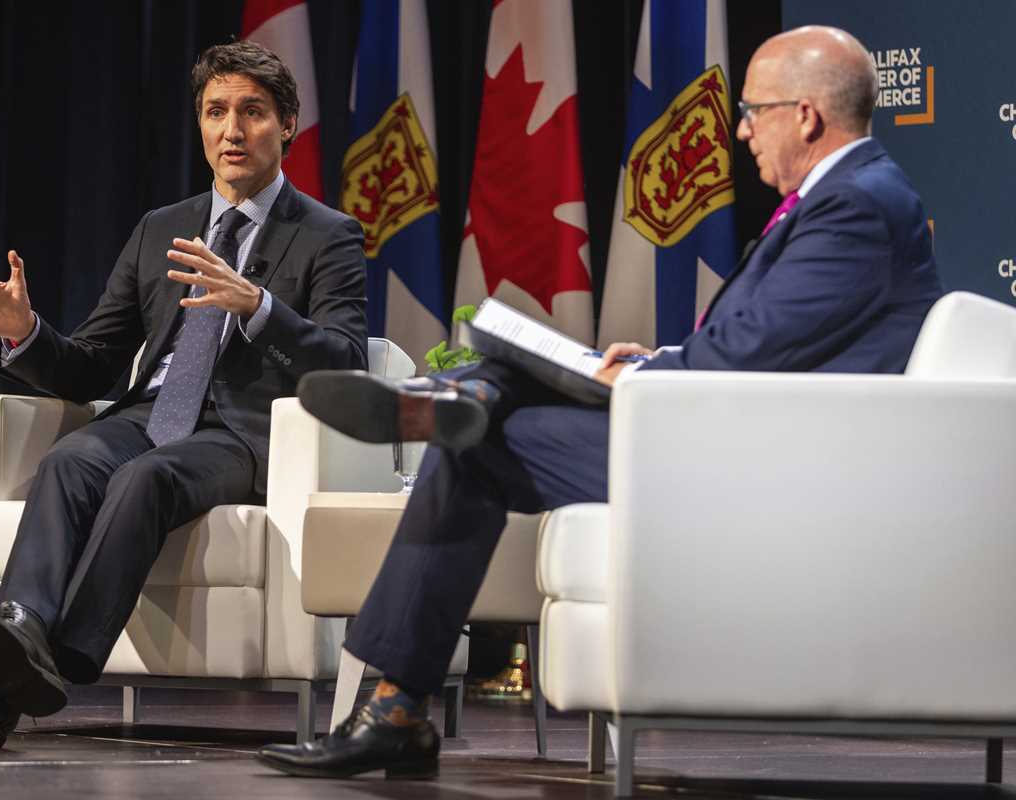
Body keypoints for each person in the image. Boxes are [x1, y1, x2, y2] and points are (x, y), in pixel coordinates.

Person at [256, 25, 943, 779]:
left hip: (757, 467)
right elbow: (767, 344)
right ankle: (459, 402)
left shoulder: (855, 207)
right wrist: (651, 363)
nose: (742, 130)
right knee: (492, 404)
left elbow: (746, 355)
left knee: (475, 437)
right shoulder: (854, 196)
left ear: (805, 116)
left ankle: (396, 703)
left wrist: (647, 375)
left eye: (753, 111)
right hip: (732, 436)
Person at [0, 40, 368, 748]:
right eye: (216, 112)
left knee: (146, 478)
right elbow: (94, 365)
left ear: (287, 124)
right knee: (69, 460)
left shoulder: (327, 235)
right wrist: (25, 333)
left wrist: (257, 307)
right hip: (150, 413)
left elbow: (347, 359)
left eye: (253, 112)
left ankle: (53, 662)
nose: (232, 130)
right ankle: (21, 631)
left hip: (239, 435)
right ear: (200, 123)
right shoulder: (161, 228)